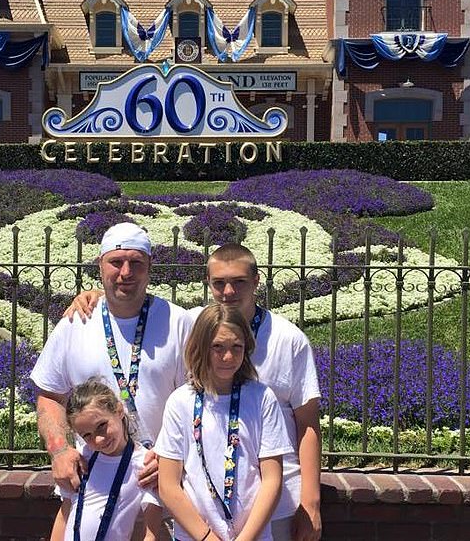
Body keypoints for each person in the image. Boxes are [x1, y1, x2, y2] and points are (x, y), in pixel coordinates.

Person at [65, 242, 322, 541]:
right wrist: (98, 297)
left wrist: (311, 501)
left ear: (256, 281)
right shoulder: (193, 323)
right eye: (219, 283)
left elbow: (308, 424)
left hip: (274, 506)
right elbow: (137, 307)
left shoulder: (289, 340)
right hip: (202, 511)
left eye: (239, 281)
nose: (229, 291)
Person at [31, 222, 194, 537]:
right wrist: (60, 450)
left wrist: (172, 454)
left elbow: (199, 400)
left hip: (160, 474)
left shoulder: (178, 321)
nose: (125, 272)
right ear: (100, 264)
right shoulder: (76, 322)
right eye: (116, 262)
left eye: (136, 263)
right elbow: (49, 396)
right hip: (94, 473)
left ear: (150, 267)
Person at [156, 304, 292, 541]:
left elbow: (272, 479)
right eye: (217, 347)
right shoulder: (181, 401)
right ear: (200, 347)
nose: (228, 357)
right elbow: (168, 485)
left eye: (236, 347)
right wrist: (207, 537)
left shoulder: (261, 398)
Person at [52, 378, 162, 541]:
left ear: (118, 411)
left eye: (101, 426)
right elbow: (65, 513)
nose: (98, 440)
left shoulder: (143, 463)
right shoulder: (81, 459)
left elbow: (150, 533)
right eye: (87, 435)